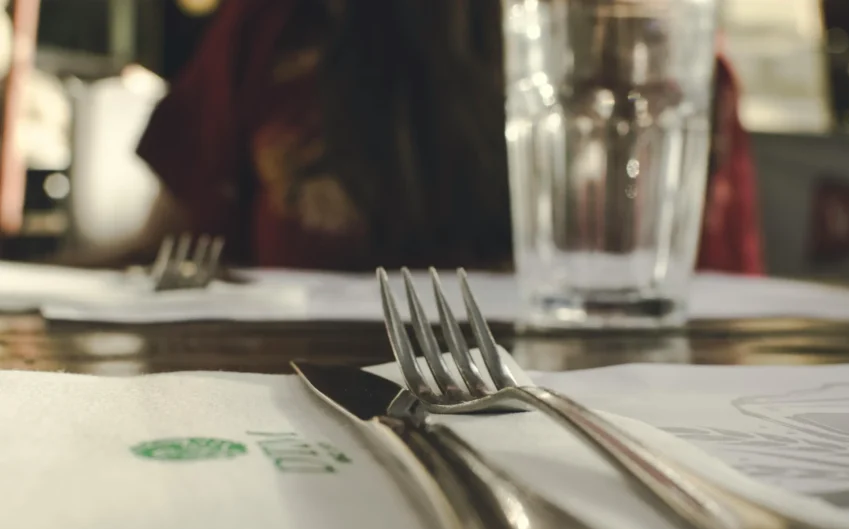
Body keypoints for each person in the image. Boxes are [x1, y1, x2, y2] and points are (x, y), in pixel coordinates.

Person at [88, 0, 764, 274]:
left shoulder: (648, 49)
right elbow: (174, 258)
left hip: (605, 432)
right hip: (293, 421)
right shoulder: (270, 25)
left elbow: (717, 311)